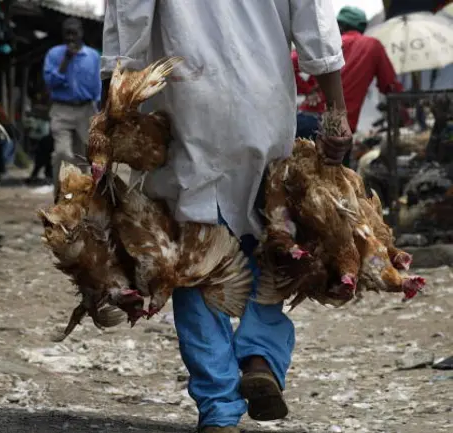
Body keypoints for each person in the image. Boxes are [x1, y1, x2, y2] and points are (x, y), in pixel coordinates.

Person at [101, 2, 352, 432]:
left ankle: (219, 405)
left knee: (195, 255)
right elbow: (315, 23)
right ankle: (259, 352)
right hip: (265, 104)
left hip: (186, 104)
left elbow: (129, 22)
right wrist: (336, 110)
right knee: (273, 234)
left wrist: (113, 103)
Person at [294, 6, 404, 166]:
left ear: (340, 26)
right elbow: (391, 87)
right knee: (334, 188)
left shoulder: (327, 46)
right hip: (337, 132)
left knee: (292, 183)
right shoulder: (373, 46)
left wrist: (307, 89)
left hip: (304, 120)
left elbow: (290, 62)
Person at [43, 17, 101, 198]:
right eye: (67, 33)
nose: (70, 38)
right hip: (62, 110)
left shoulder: (93, 56)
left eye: (74, 33)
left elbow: (98, 85)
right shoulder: (54, 54)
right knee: (62, 152)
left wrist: (98, 110)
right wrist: (65, 62)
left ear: (81, 34)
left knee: (83, 158)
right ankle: (59, 197)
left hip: (86, 110)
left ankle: (78, 200)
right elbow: (50, 82)